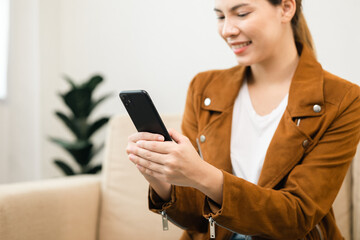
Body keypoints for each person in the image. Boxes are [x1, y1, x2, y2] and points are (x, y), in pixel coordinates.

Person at [126, 0, 360, 239]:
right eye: (220, 17)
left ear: (287, 8)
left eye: (242, 13)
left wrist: (201, 174)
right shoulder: (204, 88)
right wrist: (161, 181)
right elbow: (197, 220)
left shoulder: (342, 99)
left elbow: (297, 216)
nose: (227, 30)